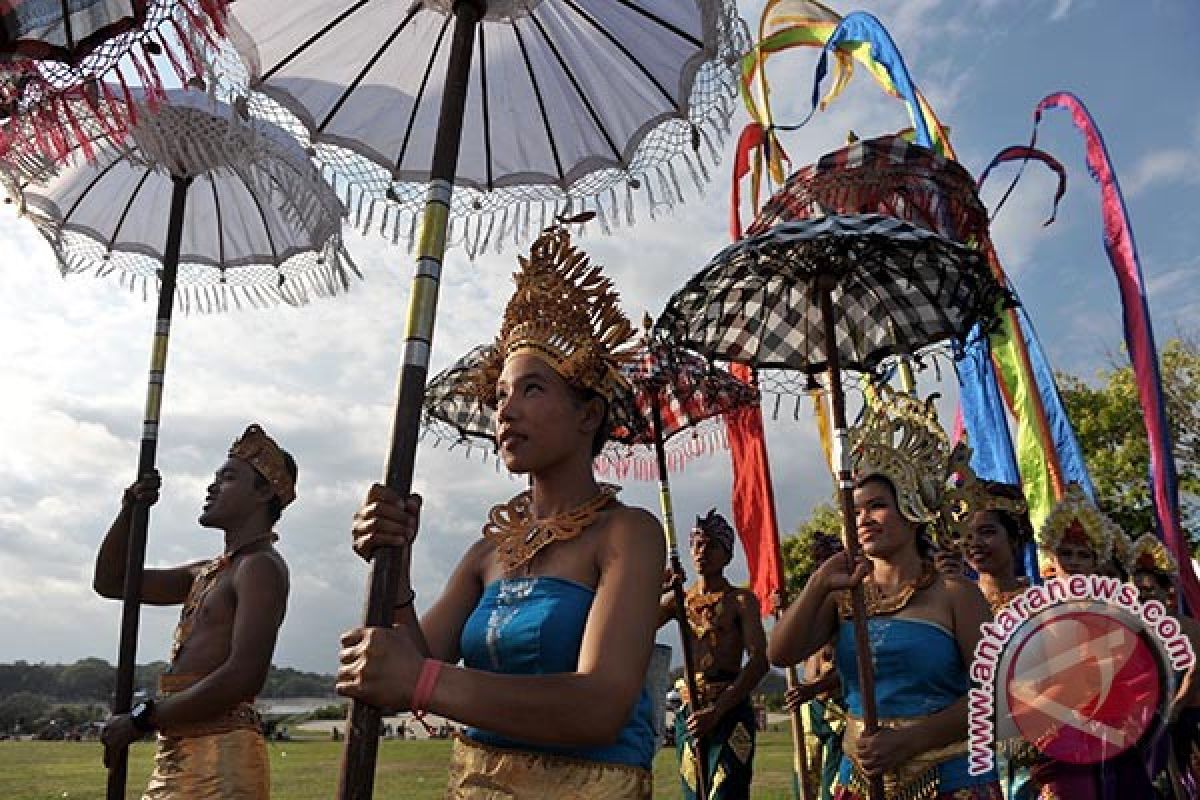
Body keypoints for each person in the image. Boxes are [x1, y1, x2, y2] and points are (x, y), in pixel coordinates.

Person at [336, 224, 665, 798]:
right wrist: (394, 565)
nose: (505, 410)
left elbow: (598, 708)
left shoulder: (627, 535)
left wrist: (423, 681)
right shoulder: (487, 552)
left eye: (531, 389)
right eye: (498, 397)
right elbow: (415, 655)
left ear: (588, 415)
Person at [768, 387, 1002, 800]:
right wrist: (819, 582)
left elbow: (994, 694)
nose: (863, 519)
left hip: (947, 780)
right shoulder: (845, 596)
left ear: (913, 509)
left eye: (877, 506)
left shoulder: (955, 595)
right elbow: (780, 654)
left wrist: (912, 740)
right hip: (859, 780)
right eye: (855, 510)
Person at [95, 424, 294, 800]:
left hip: (221, 758)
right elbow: (111, 582)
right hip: (177, 752)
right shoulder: (205, 572)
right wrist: (130, 510)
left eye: (229, 477)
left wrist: (142, 719)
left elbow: (243, 676)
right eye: (216, 476)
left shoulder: (260, 567)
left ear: (264, 492)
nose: (212, 486)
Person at [659, 509, 769, 800]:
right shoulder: (680, 600)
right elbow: (635, 624)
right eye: (696, 543)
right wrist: (659, 587)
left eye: (710, 544)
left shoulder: (741, 601)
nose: (701, 551)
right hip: (691, 711)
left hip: (730, 712)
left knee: (726, 792)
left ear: (727, 554)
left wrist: (718, 710)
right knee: (693, 792)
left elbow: (759, 661)